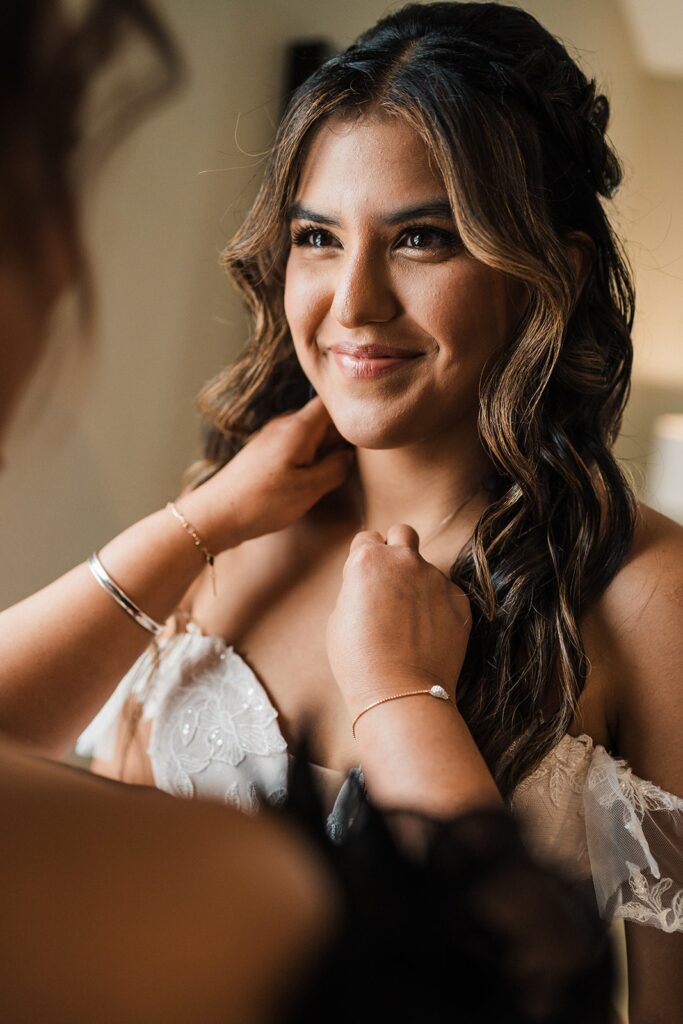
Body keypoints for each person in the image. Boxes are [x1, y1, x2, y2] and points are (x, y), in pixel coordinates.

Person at [0, 3, 615, 1022]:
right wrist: (200, 532)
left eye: (422, 237)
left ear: (550, 271)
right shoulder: (220, 532)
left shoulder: (645, 594)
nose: (353, 301)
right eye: (315, 238)